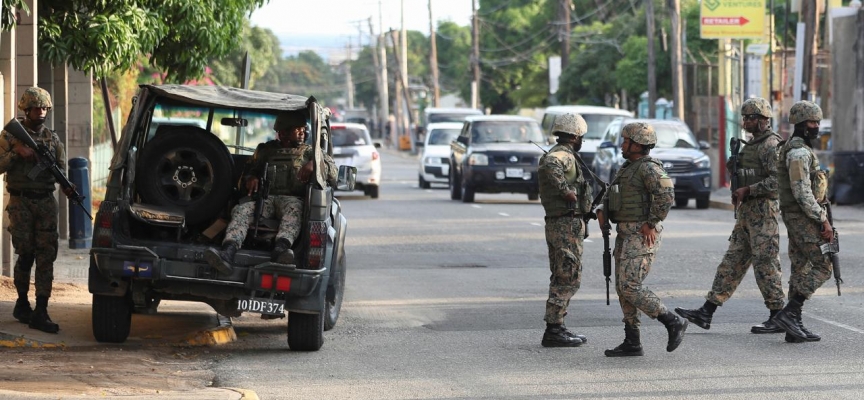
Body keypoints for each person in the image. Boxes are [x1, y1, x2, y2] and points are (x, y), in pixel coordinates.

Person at [675, 97, 786, 334]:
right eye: (744, 117)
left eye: (751, 117)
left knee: (766, 265)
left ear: (764, 120)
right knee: (731, 263)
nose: (746, 121)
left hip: (763, 215)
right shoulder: (750, 145)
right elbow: (748, 174)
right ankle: (707, 311)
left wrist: (750, 189)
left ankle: (778, 315)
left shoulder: (771, 146)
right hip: (746, 214)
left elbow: (778, 182)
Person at [205, 110, 337, 274]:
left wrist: (315, 164)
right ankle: (228, 252)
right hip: (266, 199)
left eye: (304, 129)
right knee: (242, 210)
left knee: (295, 210)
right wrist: (251, 178)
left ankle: (281, 249)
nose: (303, 132)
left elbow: (333, 172)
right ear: (283, 132)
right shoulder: (265, 150)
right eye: (298, 129)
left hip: (292, 200)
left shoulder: (311, 152)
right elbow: (247, 172)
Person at [596, 122, 688, 357]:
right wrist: (602, 211)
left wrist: (652, 222)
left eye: (626, 141)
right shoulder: (628, 168)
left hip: (641, 234)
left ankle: (672, 321)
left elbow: (666, 195)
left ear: (638, 144)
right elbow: (613, 195)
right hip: (626, 234)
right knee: (622, 287)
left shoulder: (649, 168)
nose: (622, 145)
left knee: (630, 286)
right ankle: (632, 341)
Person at [0, 87, 75, 334]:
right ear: (26, 109)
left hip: (45, 202)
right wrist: (16, 153)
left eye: (44, 108)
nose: (41, 112)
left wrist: (68, 187)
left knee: (46, 255)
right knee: (26, 254)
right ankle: (22, 303)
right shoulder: (10, 136)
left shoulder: (53, 140)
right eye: (36, 107)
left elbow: (62, 172)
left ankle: (41, 309)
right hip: (21, 202)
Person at [771, 100, 834, 343]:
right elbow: (801, 191)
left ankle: (793, 325)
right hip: (803, 217)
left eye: (818, 122)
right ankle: (790, 312)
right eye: (811, 122)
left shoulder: (800, 149)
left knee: (800, 268)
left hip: (798, 216)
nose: (816, 126)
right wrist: (822, 220)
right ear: (799, 124)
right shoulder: (797, 152)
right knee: (824, 265)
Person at [538, 113, 593, 347]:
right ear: (575, 135)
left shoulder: (568, 155)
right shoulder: (561, 154)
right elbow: (551, 164)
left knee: (563, 274)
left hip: (565, 223)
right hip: (564, 224)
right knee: (567, 276)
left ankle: (558, 325)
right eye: (581, 136)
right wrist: (565, 190)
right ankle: (553, 330)